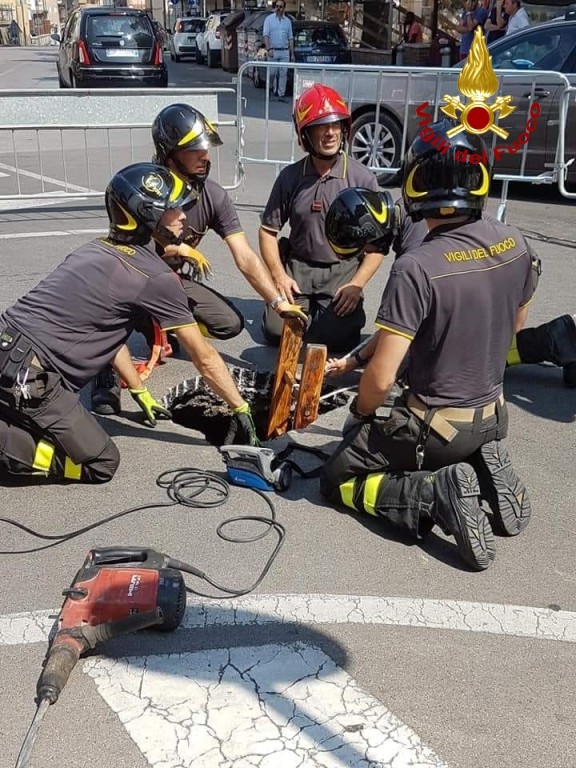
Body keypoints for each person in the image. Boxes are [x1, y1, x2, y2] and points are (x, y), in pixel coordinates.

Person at [320, 120, 539, 571]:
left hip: (436, 429)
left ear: (416, 184)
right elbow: (515, 322)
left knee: (337, 477)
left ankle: (434, 493)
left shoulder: (417, 267)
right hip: (493, 413)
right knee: (457, 433)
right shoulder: (516, 243)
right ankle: (481, 463)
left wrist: (361, 415)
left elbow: (381, 379)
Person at [0, 163, 264, 485]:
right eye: (173, 208)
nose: (183, 215)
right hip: (28, 377)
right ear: (147, 214)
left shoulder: (95, 249)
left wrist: (139, 391)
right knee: (100, 462)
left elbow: (109, 334)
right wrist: (240, 407)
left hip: (9, 349)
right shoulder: (154, 277)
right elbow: (203, 355)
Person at [92, 103, 307, 415]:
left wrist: (277, 302)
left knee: (229, 323)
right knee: (111, 319)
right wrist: (178, 250)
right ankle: (106, 373)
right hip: (132, 279)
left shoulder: (214, 196)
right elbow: (128, 251)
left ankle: (166, 325)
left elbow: (245, 255)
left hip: (171, 283)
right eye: (195, 149)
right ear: (170, 152)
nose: (206, 156)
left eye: (206, 148)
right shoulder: (145, 189)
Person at [326, 210, 576, 387]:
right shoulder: (410, 214)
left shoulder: (418, 252)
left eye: (364, 250)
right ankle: (558, 339)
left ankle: (557, 339)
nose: (366, 255)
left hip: (509, 274)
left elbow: (399, 322)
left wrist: (355, 360)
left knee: (465, 358)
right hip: (508, 265)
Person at [259, 84, 385, 354]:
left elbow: (378, 246)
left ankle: (329, 317)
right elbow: (268, 232)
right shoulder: (290, 177)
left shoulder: (362, 179)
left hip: (342, 270)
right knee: (275, 331)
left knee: (338, 338)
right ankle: (289, 311)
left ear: (344, 128)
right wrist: (279, 276)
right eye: (320, 126)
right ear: (305, 134)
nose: (330, 133)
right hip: (298, 267)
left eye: (335, 124)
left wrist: (356, 285)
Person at [262, 0, 294, 102]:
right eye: (277, 6)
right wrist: (269, 49)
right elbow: (265, 35)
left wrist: (292, 53)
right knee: (272, 73)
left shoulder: (288, 21)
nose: (278, 8)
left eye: (280, 7)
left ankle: (281, 94)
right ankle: (271, 89)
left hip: (284, 51)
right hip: (273, 50)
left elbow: (290, 38)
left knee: (283, 73)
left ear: (284, 8)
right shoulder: (269, 20)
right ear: (274, 7)